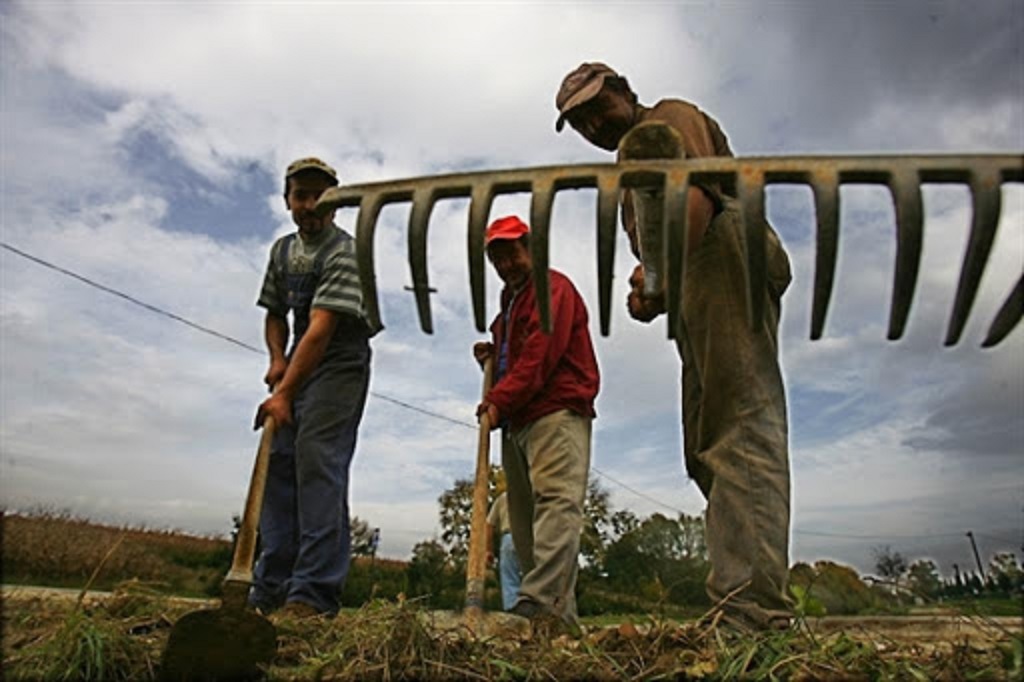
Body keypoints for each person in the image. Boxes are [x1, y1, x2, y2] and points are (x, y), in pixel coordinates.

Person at [555, 63, 794, 631]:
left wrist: (656, 285)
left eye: (596, 106)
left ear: (625, 91)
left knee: (738, 426)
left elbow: (690, 206)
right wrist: (654, 285)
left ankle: (754, 616)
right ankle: (739, 596)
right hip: (698, 275)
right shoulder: (631, 156)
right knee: (706, 443)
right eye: (578, 119)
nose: (591, 122)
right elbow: (663, 241)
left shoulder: (665, 119)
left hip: (720, 251)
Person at [250, 157, 380, 618]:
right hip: (300, 362)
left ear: (336, 201)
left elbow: (323, 326)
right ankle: (268, 590)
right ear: (287, 199)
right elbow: (273, 312)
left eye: (320, 196)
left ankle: (312, 595)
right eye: (301, 195)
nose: (310, 205)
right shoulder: (282, 251)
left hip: (340, 359)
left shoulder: (345, 250)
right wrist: (277, 361)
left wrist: (284, 392)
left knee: (317, 459)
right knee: (279, 463)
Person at [473, 215, 600, 629]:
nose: (506, 264)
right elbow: (517, 353)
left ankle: (540, 601)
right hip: (517, 420)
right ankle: (558, 623)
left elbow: (539, 357)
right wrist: (492, 354)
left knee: (556, 505)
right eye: (497, 257)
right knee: (525, 525)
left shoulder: (551, 288)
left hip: (555, 411)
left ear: (532, 248)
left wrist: (496, 399)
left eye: (512, 252)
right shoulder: (508, 306)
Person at [486, 489, 522, 610]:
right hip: (530, 537)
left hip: (509, 537)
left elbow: (489, 525)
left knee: (509, 577)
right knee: (533, 575)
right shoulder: (533, 493)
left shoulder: (503, 498)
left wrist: (489, 550)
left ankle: (513, 610)